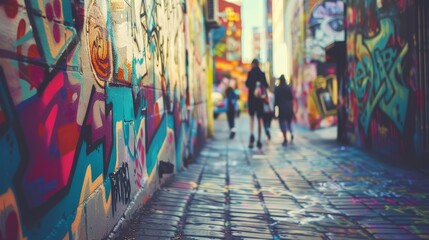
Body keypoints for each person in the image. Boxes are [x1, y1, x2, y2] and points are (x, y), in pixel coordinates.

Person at [245, 59, 269, 149]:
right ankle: (259, 139)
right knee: (260, 119)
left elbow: (247, 84)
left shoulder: (250, 73)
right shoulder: (262, 74)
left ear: (252, 64)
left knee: (252, 117)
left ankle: (251, 134)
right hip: (260, 100)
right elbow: (266, 85)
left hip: (251, 99)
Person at [274, 74, 295, 146]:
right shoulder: (288, 87)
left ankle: (285, 138)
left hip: (281, 108)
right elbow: (292, 98)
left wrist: (275, 112)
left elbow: (276, 101)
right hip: (289, 107)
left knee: (282, 123)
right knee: (289, 122)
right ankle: (291, 133)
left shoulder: (277, 88)